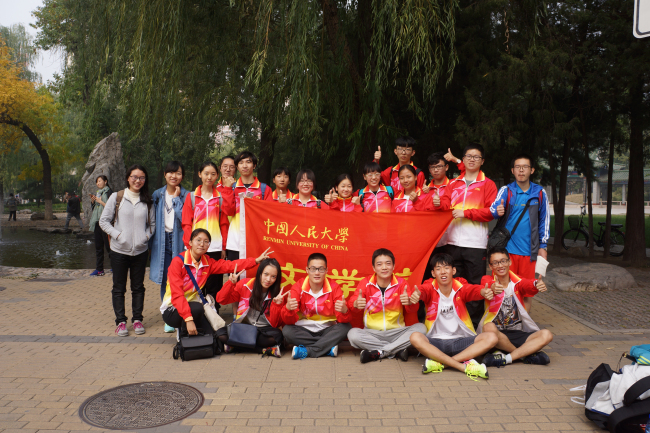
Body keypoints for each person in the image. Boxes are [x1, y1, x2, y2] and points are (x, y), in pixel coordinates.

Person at [427, 143, 497, 327]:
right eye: (468, 156)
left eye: (476, 157)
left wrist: (466, 213)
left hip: (475, 243)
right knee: (454, 284)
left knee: (474, 285)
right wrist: (438, 203)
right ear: (463, 159)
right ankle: (453, 322)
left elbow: (491, 212)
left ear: (482, 161)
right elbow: (445, 204)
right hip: (451, 241)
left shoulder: (488, 184)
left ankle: (473, 325)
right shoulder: (453, 183)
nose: (472, 160)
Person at [160, 228, 270, 336]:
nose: (202, 244)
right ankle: (183, 336)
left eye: (206, 241)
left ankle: (195, 336)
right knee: (197, 309)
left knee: (215, 334)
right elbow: (177, 295)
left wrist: (255, 261)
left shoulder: (207, 262)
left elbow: (230, 265)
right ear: (190, 242)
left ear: (208, 246)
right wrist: (188, 319)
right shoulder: (178, 262)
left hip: (195, 306)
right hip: (173, 308)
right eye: (198, 240)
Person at [409, 253, 495, 380]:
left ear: (453, 270)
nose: (443, 272)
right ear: (433, 273)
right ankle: (462, 366)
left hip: (461, 341)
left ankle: (441, 363)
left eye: (446, 268)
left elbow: (472, 290)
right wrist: (416, 295)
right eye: (438, 268)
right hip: (436, 342)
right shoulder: (429, 287)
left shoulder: (460, 287)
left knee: (492, 337)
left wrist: (483, 292)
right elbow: (421, 291)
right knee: (415, 337)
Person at [99, 165, 156, 337]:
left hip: (140, 251)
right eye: (134, 177)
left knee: (138, 287)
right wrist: (118, 235)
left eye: (141, 177)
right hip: (119, 251)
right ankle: (121, 322)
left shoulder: (147, 200)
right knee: (119, 288)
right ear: (128, 178)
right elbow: (104, 221)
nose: (138, 180)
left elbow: (152, 225)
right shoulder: (117, 197)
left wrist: (145, 237)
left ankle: (137, 319)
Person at [490, 153, 550, 312]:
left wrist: (543, 246)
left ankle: (523, 322)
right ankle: (503, 321)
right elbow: (493, 209)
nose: (521, 170)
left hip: (529, 252)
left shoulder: (539, 193)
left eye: (525, 167)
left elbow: (544, 220)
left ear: (532, 170)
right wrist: (497, 211)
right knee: (502, 288)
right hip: (506, 251)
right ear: (512, 170)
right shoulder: (506, 190)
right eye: (518, 167)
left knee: (527, 291)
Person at [347, 248, 427, 363]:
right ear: (374, 268)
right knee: (352, 334)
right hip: (372, 333)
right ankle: (396, 350)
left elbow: (412, 309)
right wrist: (355, 304)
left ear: (393, 266)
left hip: (397, 332)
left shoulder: (401, 283)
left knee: (421, 328)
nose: (384, 267)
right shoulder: (366, 283)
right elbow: (352, 305)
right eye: (379, 264)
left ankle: (379, 352)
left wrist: (410, 303)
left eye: (388, 263)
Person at [478, 247, 553, 367]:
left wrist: (536, 284)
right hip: (496, 334)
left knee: (546, 334)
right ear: (490, 266)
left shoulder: (518, 282)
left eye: (503, 261)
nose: (500, 265)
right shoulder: (487, 280)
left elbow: (527, 285)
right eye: (495, 263)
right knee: (488, 327)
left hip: (517, 332)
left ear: (509, 262)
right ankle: (523, 355)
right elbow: (486, 284)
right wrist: (492, 287)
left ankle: (507, 358)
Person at [182, 161, 236, 303]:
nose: (209, 177)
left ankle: (214, 311)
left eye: (213, 174)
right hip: (195, 247)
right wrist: (189, 244)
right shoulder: (191, 197)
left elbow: (224, 224)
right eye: (206, 173)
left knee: (214, 284)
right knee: (196, 282)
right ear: (200, 174)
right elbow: (186, 223)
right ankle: (197, 311)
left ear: (217, 176)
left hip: (215, 247)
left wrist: (223, 247)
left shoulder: (220, 198)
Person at [281, 253, 352, 359]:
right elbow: (288, 321)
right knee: (287, 331)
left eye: (321, 269)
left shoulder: (334, 287)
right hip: (304, 330)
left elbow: (343, 320)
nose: (317, 273)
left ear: (326, 270)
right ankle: (326, 347)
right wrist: (288, 309)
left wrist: (344, 311)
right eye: (313, 269)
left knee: (346, 327)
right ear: (307, 270)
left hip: (327, 330)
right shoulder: (298, 287)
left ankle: (308, 351)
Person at [216, 257, 286, 357]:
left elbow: (275, 323)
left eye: (273, 276)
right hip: (245, 327)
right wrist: (230, 284)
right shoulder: (245, 285)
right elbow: (221, 300)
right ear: (260, 273)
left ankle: (235, 345)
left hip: (263, 330)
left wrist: (277, 305)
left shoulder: (277, 294)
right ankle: (264, 350)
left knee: (276, 336)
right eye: (266, 274)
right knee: (220, 334)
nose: (268, 279)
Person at [150, 161, 190, 332]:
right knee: (165, 279)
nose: (174, 176)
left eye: (178, 173)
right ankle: (168, 314)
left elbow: (185, 218)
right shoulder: (157, 194)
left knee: (181, 279)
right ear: (165, 174)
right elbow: (151, 219)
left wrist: (176, 199)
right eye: (171, 173)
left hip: (179, 241)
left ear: (182, 176)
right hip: (162, 241)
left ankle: (182, 313)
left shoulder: (187, 195)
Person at [226, 151, 272, 261]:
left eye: (248, 162)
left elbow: (269, 215)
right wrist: (227, 189)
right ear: (237, 167)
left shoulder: (264, 189)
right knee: (234, 271)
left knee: (256, 270)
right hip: (235, 241)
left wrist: (254, 206)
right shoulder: (232, 188)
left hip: (257, 241)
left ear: (254, 165)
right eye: (241, 163)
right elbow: (228, 211)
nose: (245, 165)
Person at [89, 175, 113, 276]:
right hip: (97, 222)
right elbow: (95, 208)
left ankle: (115, 266)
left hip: (106, 223)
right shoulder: (98, 193)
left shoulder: (109, 193)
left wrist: (101, 202)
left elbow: (111, 208)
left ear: (105, 181)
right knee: (98, 247)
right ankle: (99, 269)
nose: (98, 183)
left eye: (100, 181)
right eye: (97, 182)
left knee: (109, 246)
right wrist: (93, 201)